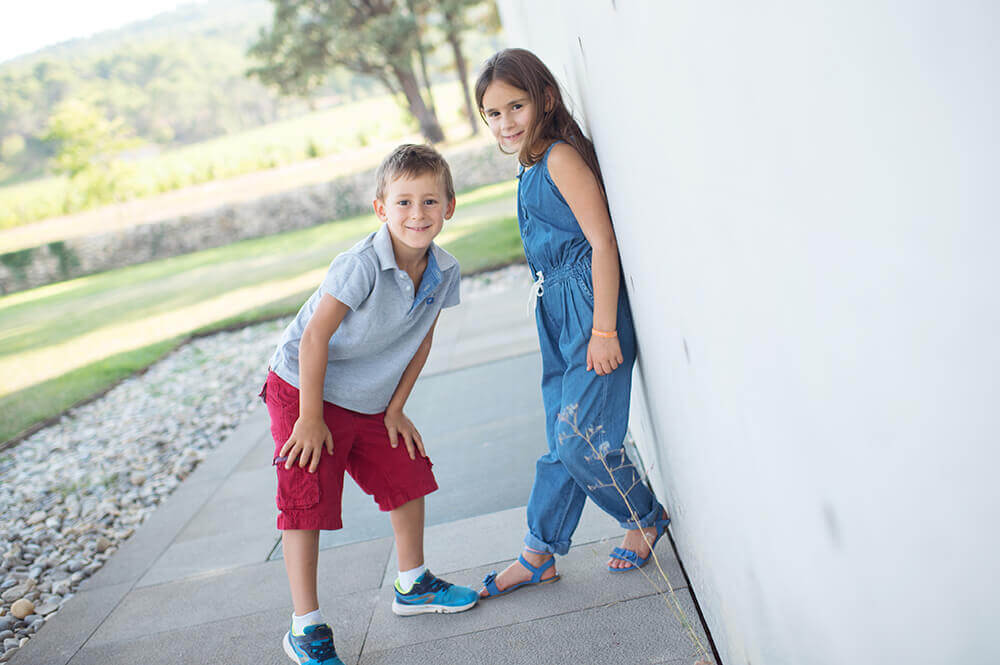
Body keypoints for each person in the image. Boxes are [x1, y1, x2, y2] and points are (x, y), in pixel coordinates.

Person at [261, 144, 478, 665]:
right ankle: (305, 626)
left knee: (406, 470)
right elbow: (314, 340)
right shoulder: (359, 265)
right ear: (381, 208)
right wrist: (310, 418)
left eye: (430, 202)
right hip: (303, 387)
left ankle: (413, 584)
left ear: (450, 206)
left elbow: (421, 338)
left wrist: (396, 406)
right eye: (403, 202)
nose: (417, 214)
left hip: (368, 397)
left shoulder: (445, 272)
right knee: (306, 495)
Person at [474, 48, 670, 599]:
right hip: (555, 313)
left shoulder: (559, 157)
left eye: (517, 106)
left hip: (588, 310)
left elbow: (602, 240)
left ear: (546, 99)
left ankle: (643, 517)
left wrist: (604, 329)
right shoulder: (529, 166)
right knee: (557, 438)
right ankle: (538, 552)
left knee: (580, 438)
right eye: (493, 113)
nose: (506, 121)